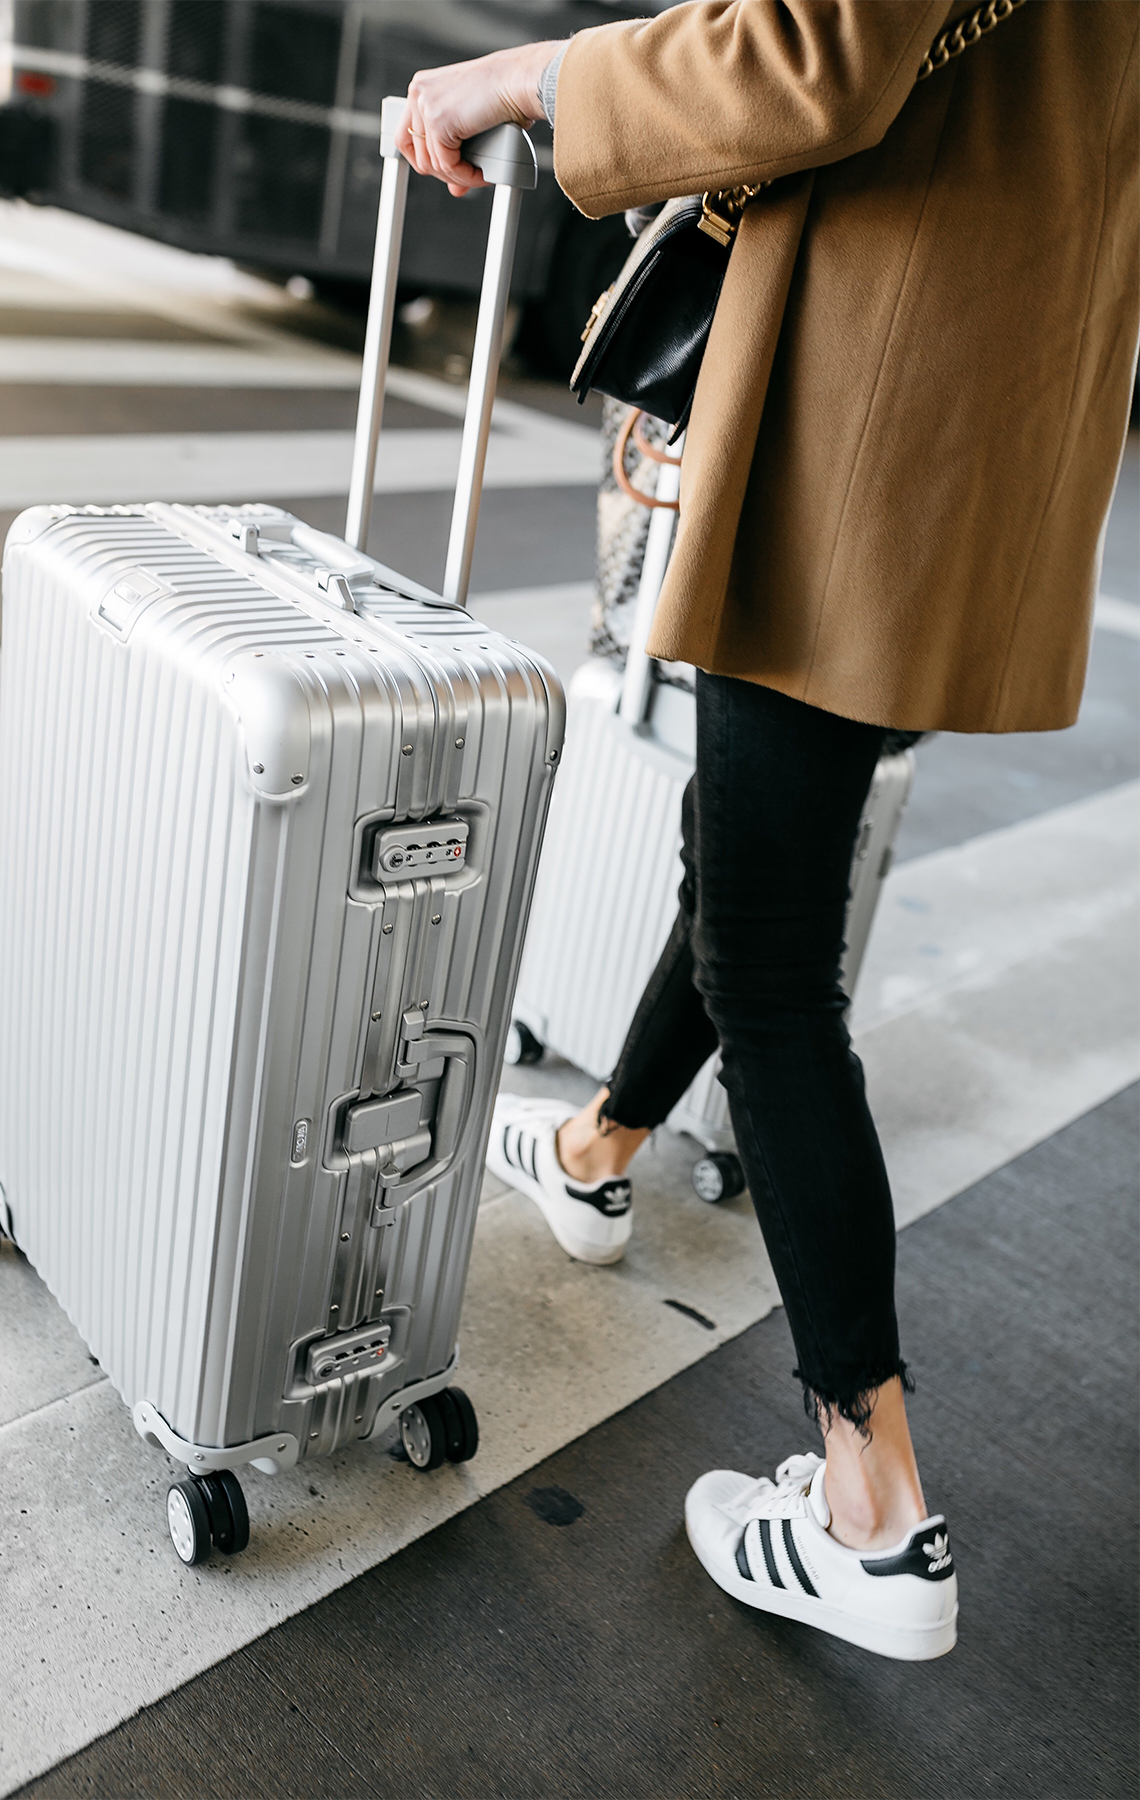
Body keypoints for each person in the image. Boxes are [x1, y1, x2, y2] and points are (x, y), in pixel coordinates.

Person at [396, 1, 1139, 1662]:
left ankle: (872, 1508)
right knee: (761, 880)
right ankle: (596, 1152)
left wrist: (527, 77)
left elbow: (812, 55)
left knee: (772, 958)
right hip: (986, 411)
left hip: (864, 412)